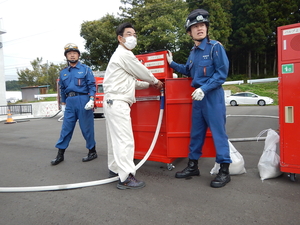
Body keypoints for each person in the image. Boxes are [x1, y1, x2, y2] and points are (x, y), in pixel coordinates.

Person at [166, 9, 232, 188]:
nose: (200, 28)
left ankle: (224, 171)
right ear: (189, 32)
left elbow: (221, 73)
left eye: (202, 25)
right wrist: (172, 64)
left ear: (207, 28)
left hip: (212, 97)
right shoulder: (194, 52)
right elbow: (189, 70)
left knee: (219, 134)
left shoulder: (215, 47)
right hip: (198, 99)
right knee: (196, 134)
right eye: (195, 27)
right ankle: (193, 166)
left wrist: (204, 88)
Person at [103, 22, 163, 190]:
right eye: (129, 34)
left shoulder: (119, 57)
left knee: (114, 140)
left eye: (135, 34)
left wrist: (149, 85)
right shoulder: (124, 54)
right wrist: (156, 81)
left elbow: (132, 82)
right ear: (120, 38)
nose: (133, 37)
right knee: (125, 140)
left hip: (112, 102)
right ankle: (126, 177)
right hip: (118, 103)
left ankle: (115, 169)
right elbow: (141, 71)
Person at [51, 43, 97, 165]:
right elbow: (62, 89)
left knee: (87, 128)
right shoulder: (63, 72)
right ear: (66, 56)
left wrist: (92, 99)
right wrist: (63, 104)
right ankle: (60, 154)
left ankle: (92, 151)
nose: (72, 55)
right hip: (70, 102)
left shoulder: (85, 69)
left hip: (83, 99)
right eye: (69, 53)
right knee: (66, 128)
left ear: (78, 55)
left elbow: (92, 85)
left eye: (74, 53)